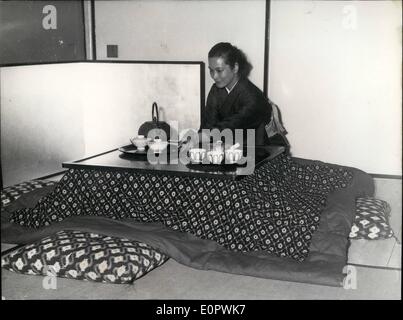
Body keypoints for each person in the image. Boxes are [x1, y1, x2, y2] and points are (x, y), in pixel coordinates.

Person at [199, 42, 277, 148]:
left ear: (235, 68)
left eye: (219, 70)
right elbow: (208, 124)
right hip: (226, 145)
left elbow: (231, 125)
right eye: (211, 70)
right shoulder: (216, 90)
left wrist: (199, 137)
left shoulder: (253, 98)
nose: (214, 76)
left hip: (258, 148)